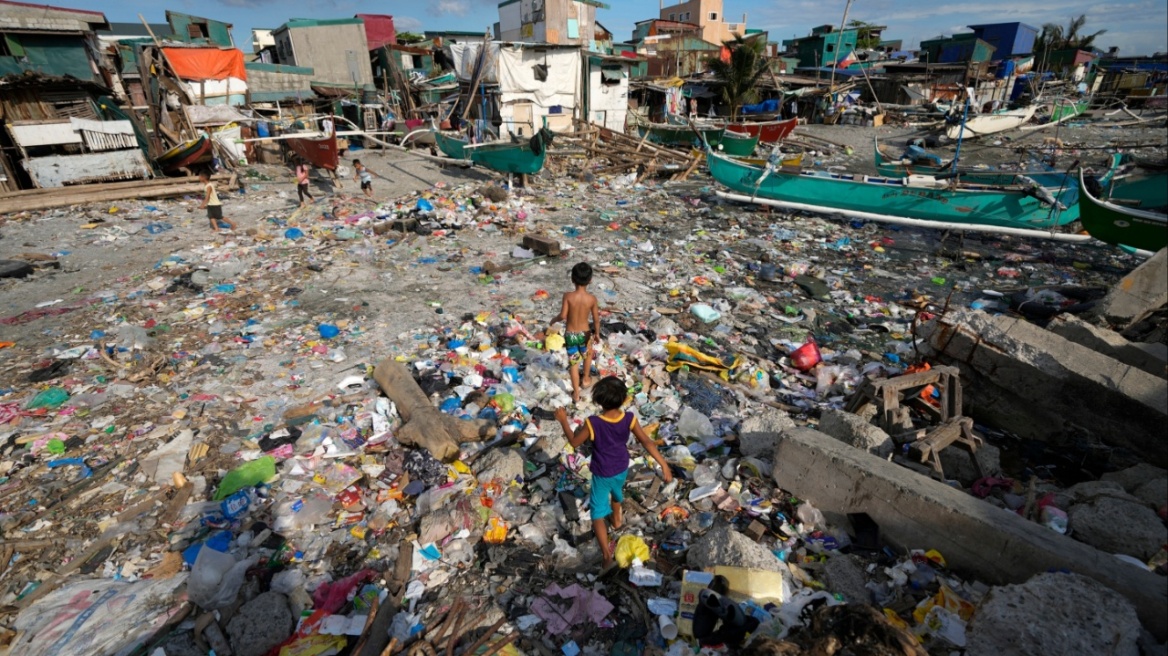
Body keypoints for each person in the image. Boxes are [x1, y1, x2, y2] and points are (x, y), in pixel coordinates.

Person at [554, 377, 672, 570]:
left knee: (597, 513)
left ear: (598, 400)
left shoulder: (593, 423)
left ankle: (607, 556)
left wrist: (563, 421)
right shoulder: (629, 418)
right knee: (617, 491)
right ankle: (617, 521)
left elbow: (574, 443)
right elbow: (647, 442)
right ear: (623, 398)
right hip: (622, 467)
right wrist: (663, 465)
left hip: (602, 472)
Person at [547, 262, 600, 403]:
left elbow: (563, 316)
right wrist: (597, 334)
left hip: (570, 334)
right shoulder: (592, 299)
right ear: (590, 280)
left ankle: (576, 392)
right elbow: (596, 319)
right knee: (588, 355)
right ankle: (586, 379)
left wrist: (554, 320)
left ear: (572, 279)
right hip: (585, 334)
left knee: (574, 364)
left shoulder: (568, 296)